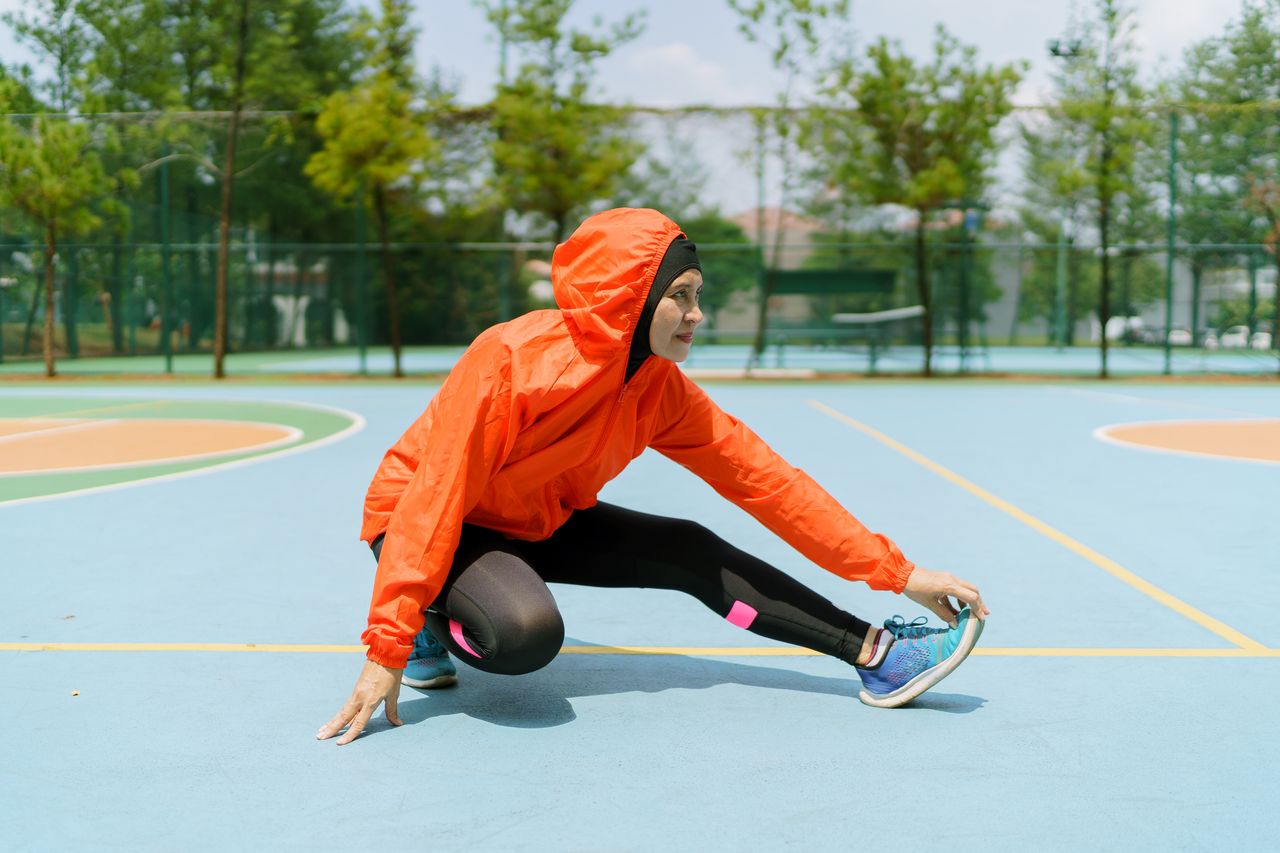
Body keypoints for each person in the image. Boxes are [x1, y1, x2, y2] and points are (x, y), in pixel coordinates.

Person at [317, 208, 989, 745]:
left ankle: (878, 655)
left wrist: (896, 571)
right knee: (525, 634)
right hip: (427, 517)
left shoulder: (659, 388)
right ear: (629, 300)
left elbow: (768, 482)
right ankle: (433, 616)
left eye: (698, 295)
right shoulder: (510, 358)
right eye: (681, 295)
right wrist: (388, 644)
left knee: (688, 546)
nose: (698, 313)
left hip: (534, 517)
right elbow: (437, 494)